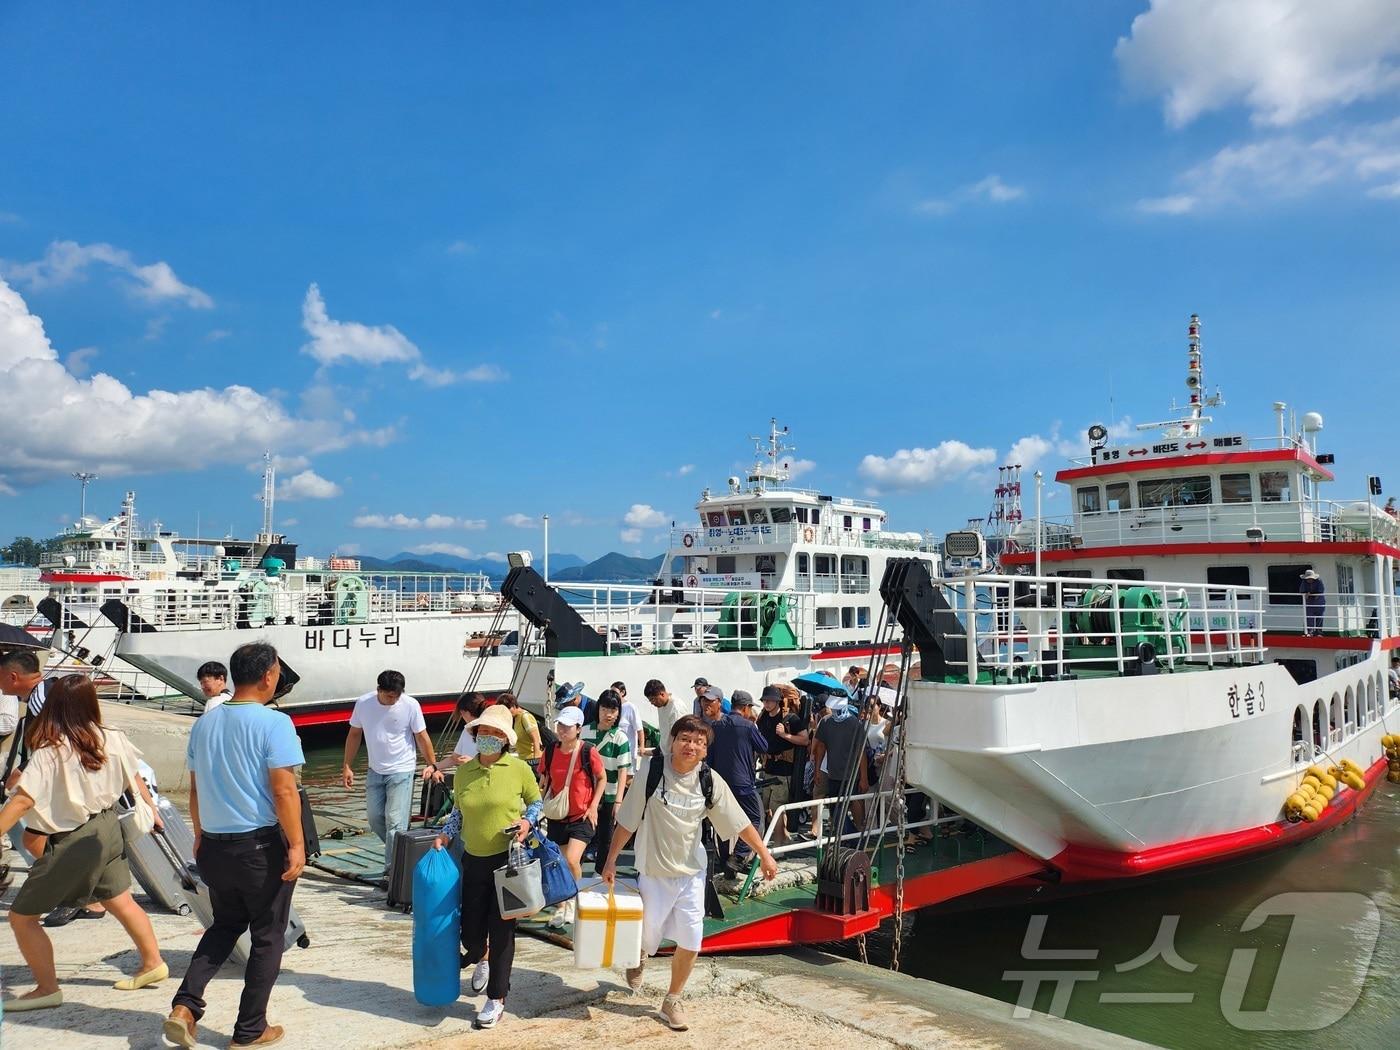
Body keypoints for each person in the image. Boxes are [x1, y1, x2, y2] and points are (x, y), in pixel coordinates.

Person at [164, 642, 305, 1050]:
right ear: (268, 676)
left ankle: (185, 1006)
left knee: (224, 925)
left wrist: (199, 834)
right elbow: (283, 791)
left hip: (213, 845)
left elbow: (195, 787)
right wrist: (296, 845)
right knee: (267, 936)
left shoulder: (205, 723)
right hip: (259, 847)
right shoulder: (275, 723)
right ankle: (249, 1030)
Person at [0, 674, 168, 1012]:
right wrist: (152, 809)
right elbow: (134, 775)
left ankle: (47, 988)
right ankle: (153, 963)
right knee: (120, 900)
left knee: (22, 918)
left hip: (72, 840)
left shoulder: (51, 750)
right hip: (107, 828)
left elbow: (21, 802)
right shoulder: (112, 737)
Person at [602, 715, 779, 1031]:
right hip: (654, 871)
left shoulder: (709, 780)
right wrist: (611, 860)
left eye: (699, 741)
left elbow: (738, 821)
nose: (691, 745)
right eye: (685, 738)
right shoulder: (652, 772)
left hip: (691, 874)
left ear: (705, 750)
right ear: (672, 741)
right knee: (649, 934)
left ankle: (672, 1000)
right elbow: (628, 820)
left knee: (692, 939)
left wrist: (764, 855)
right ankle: (640, 955)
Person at [432, 703, 541, 1030]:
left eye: (496, 733)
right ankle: (480, 955)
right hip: (474, 860)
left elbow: (537, 802)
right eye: (484, 732)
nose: (488, 738)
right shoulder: (464, 772)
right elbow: (459, 813)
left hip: (509, 861)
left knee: (503, 930)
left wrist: (527, 822)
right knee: (471, 931)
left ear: (506, 739)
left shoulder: (519, 769)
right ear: (475, 734)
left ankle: (496, 998)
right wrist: (446, 835)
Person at [341, 670, 440, 884]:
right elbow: (354, 734)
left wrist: (433, 764)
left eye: (396, 696)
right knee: (375, 818)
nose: (392, 700)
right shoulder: (364, 703)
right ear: (378, 690)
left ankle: (391, 872)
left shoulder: (411, 705)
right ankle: (401, 854)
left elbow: (421, 736)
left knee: (395, 822)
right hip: (375, 769)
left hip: (402, 769)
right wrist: (347, 765)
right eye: (388, 696)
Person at [538, 705, 604, 928]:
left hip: (581, 816)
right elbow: (544, 780)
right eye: (560, 725)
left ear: (578, 728)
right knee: (558, 862)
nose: (562, 729)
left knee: (572, 860)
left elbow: (601, 778)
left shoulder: (588, 751)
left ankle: (573, 899)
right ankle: (562, 905)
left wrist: (593, 806)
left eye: (567, 726)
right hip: (558, 816)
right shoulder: (550, 751)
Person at [699, 688, 770, 875]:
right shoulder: (747, 726)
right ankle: (738, 856)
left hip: (720, 783)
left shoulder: (716, 726)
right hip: (743, 783)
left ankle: (725, 862)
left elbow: (710, 757)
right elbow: (764, 746)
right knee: (755, 818)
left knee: (723, 823)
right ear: (746, 708)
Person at [581, 691, 632, 872]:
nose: (608, 713)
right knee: (581, 834)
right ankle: (575, 873)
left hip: (609, 795)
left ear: (618, 712)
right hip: (585, 793)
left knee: (606, 836)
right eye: (604, 708)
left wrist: (619, 801)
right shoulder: (585, 731)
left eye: (613, 709)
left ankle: (600, 872)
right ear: (598, 709)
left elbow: (623, 771)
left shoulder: (621, 738)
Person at [812, 694, 870, 824]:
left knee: (854, 802)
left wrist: (864, 778)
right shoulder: (826, 722)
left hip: (851, 775)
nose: (834, 711)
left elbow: (861, 752)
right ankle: (839, 831)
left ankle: (859, 830)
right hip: (833, 773)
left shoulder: (855, 724)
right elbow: (821, 748)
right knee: (835, 806)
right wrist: (817, 770)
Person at [756, 686, 802, 845]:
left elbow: (804, 740)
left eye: (769, 700)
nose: (766, 703)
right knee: (769, 809)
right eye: (764, 700)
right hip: (769, 767)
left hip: (784, 770)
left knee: (777, 808)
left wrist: (784, 735)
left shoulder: (791, 719)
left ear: (778, 701)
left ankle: (779, 843)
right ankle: (784, 839)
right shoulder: (762, 718)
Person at [498, 692, 543, 772]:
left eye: (508, 709)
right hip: (523, 760)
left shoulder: (525, 717)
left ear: (514, 706)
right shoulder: (516, 719)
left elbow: (536, 740)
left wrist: (537, 761)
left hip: (532, 759)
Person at [610, 680, 644, 774]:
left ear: (622, 692)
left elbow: (639, 729)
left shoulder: (630, 707)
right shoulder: (612, 707)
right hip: (614, 750)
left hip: (628, 751)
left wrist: (642, 746)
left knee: (628, 780)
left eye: (615, 692)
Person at [1300, 569, 1326, 636]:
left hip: (1319, 602)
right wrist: (1306, 593)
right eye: (1307, 579)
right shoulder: (1304, 582)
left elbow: (1321, 590)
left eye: (1310, 578)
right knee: (1309, 617)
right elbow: (1302, 591)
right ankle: (1309, 632)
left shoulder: (1319, 581)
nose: (1309, 580)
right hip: (1309, 602)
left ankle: (1318, 632)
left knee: (1320, 616)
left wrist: (1313, 594)